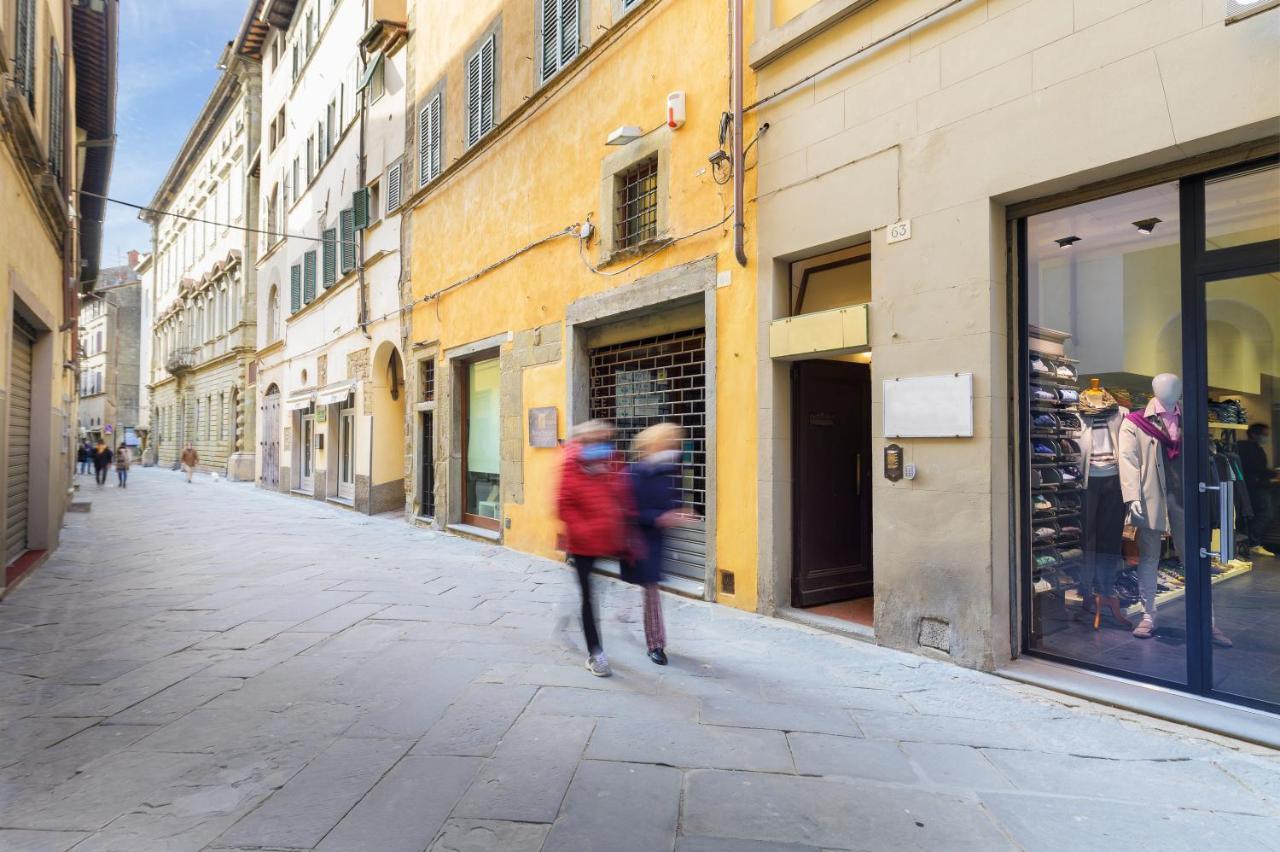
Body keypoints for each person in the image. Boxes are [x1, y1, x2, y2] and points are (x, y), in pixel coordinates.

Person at [556, 420, 630, 677]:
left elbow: (618, 495)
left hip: (606, 539)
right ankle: (596, 654)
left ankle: (564, 620)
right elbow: (563, 506)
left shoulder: (610, 462)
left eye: (606, 439)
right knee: (589, 596)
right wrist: (586, 531)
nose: (603, 444)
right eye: (598, 439)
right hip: (583, 543)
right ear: (585, 441)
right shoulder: (570, 465)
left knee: (590, 591)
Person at [627, 423, 697, 666]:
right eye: (669, 441)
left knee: (649, 588)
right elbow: (629, 511)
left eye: (674, 441)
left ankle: (623, 613)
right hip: (640, 540)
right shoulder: (635, 472)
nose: (674, 446)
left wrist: (679, 514)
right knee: (651, 591)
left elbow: (671, 502)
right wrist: (659, 517)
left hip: (658, 541)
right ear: (656, 443)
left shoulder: (669, 471)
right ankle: (655, 644)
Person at [1239, 423, 1276, 559]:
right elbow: (1257, 469)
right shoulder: (1251, 449)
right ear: (1255, 435)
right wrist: (1272, 474)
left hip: (1250, 487)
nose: (1266, 438)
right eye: (1264, 435)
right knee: (1265, 514)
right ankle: (1253, 543)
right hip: (1257, 487)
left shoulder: (1243, 447)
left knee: (1251, 516)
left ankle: (1248, 543)